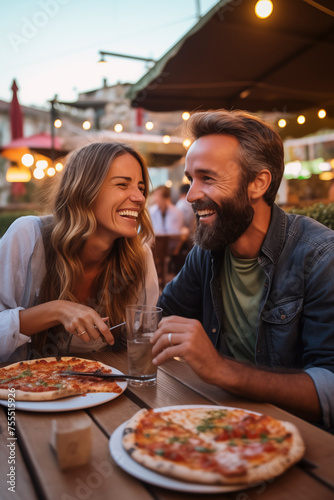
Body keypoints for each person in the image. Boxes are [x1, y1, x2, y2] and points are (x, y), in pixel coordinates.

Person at [151, 109, 334, 431]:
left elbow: (329, 388)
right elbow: (159, 318)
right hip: (217, 422)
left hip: (297, 437)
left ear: (258, 183)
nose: (191, 195)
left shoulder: (320, 256)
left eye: (207, 178)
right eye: (190, 180)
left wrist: (221, 369)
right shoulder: (207, 252)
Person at [0, 142, 159, 363]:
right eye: (123, 185)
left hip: (104, 391)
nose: (140, 198)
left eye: (141, 188)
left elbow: (144, 341)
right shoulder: (28, 236)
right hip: (20, 393)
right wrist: (56, 310)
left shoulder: (138, 254)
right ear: (84, 190)